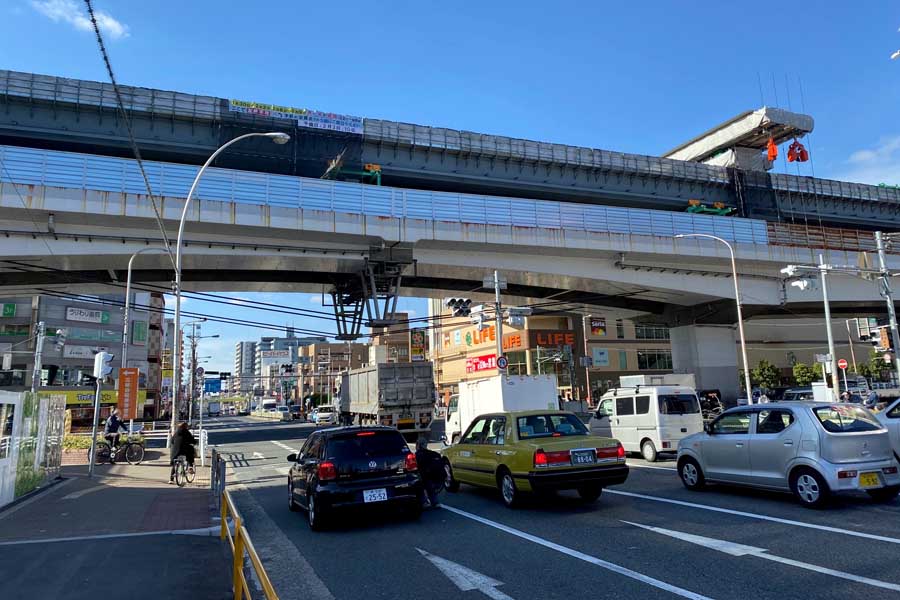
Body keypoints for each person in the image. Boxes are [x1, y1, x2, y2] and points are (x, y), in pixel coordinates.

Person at [415, 437, 443, 509]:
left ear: (418, 445)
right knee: (430, 486)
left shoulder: (417, 455)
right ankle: (435, 502)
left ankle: (424, 502)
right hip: (437, 479)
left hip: (425, 478)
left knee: (419, 484)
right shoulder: (434, 454)